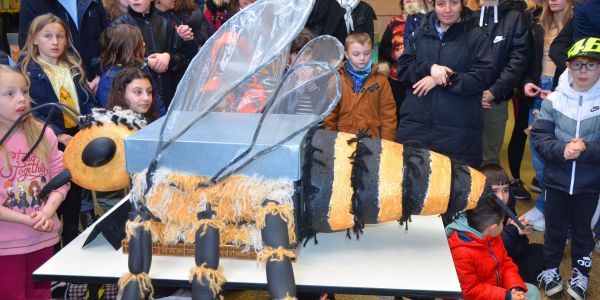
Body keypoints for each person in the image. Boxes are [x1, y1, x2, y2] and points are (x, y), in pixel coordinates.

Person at [532, 37, 600, 300]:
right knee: (555, 230)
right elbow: (539, 137)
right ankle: (550, 270)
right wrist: (562, 150)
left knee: (584, 232)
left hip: (590, 185)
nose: (583, 71)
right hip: (557, 181)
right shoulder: (555, 100)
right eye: (578, 64)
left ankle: (581, 273)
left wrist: (586, 149)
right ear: (568, 67)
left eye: (591, 65)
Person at [19, 13, 96, 246]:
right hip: (49, 141)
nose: (55, 42)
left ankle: (72, 250)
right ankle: (50, 255)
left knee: (74, 199)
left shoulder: (72, 67)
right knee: (53, 200)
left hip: (76, 139)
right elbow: (33, 111)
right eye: (48, 36)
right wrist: (56, 133)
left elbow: (86, 101)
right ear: (34, 39)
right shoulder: (29, 72)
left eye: (60, 36)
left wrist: (91, 121)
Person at [395, 0, 494, 167]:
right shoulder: (420, 33)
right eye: (441, 4)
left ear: (462, 4)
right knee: (412, 184)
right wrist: (430, 68)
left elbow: (482, 78)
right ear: (433, 5)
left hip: (458, 133)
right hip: (416, 127)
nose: (447, 10)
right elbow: (403, 70)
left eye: (454, 3)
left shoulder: (477, 36)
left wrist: (444, 78)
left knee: (454, 187)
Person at [0, 65, 70, 299]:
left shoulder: (45, 133)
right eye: (9, 94)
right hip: (5, 245)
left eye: (24, 92)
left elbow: (60, 179)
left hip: (42, 237)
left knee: (41, 296)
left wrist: (48, 212)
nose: (21, 99)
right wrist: (28, 220)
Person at [521, 0, 572, 230]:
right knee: (538, 156)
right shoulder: (537, 25)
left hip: (566, 94)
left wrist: (560, 89)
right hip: (539, 92)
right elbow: (530, 62)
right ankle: (545, 205)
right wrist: (528, 83)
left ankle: (557, 211)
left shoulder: (580, 25)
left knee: (561, 156)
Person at [465, 0, 530, 168]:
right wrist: (470, 90)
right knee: (461, 154)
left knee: (489, 158)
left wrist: (494, 91)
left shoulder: (514, 18)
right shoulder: (465, 15)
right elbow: (457, 56)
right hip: (465, 97)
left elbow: (518, 60)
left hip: (495, 99)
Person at [446, 196, 541, 300]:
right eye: (502, 223)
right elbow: (469, 291)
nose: (503, 227)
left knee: (531, 292)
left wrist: (515, 287)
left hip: (495, 290)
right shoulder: (461, 253)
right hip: (476, 296)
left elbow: (505, 263)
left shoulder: (491, 236)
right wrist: (506, 296)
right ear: (493, 227)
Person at [18, 0, 109, 91]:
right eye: (48, 36)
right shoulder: (32, 2)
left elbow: (107, 41)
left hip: (97, 84)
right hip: (56, 87)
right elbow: (28, 47)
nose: (55, 42)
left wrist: (103, 76)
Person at [113, 0, 188, 108]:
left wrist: (169, 58)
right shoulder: (119, 26)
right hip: (137, 104)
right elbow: (112, 62)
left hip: (170, 98)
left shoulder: (166, 22)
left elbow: (183, 59)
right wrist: (145, 62)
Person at [324, 32, 397, 141]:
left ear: (371, 52)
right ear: (347, 54)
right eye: (356, 54)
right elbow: (330, 115)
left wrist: (387, 144)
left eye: (366, 53)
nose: (362, 58)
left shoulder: (381, 80)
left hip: (372, 138)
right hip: (344, 139)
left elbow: (388, 115)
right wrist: (329, 141)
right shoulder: (336, 79)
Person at [480, 164, 544, 284]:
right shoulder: (478, 213)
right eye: (495, 191)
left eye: (505, 190)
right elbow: (491, 248)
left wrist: (520, 233)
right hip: (488, 262)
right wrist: (512, 230)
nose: (502, 196)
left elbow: (521, 248)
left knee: (542, 251)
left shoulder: (507, 206)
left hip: (506, 257)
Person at [96, 24, 166, 114]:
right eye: (140, 42)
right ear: (127, 49)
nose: (144, 44)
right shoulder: (109, 79)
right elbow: (113, 112)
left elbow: (156, 101)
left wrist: (161, 122)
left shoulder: (142, 68)